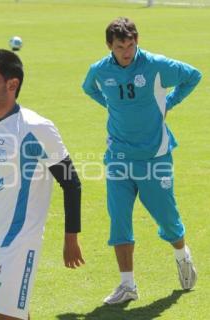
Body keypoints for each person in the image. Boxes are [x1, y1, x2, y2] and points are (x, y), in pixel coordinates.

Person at [0, 49, 85, 320]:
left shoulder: (36, 128)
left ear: (12, 84)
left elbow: (71, 182)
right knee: (13, 313)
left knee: (5, 316)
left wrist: (71, 237)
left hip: (19, 242)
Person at [82, 17, 201, 305]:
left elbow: (193, 75)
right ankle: (127, 285)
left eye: (132, 45)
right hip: (118, 157)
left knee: (168, 220)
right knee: (119, 221)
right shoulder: (99, 70)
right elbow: (89, 88)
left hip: (154, 156)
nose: (127, 52)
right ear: (110, 45)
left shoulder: (155, 65)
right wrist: (112, 106)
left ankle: (182, 254)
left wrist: (168, 103)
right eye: (121, 46)